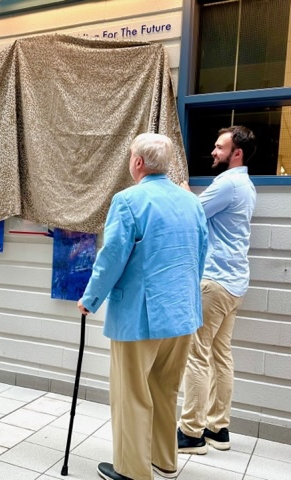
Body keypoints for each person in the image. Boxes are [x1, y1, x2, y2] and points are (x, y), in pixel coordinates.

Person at [78, 133, 208, 480]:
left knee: (132, 393)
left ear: (137, 162)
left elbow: (112, 257)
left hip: (140, 315)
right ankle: (164, 460)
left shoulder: (128, 200)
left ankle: (133, 470)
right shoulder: (191, 202)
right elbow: (200, 254)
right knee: (165, 389)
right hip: (182, 312)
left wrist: (90, 298)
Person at [177, 126, 257, 454]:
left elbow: (192, 213)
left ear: (236, 153)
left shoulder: (228, 184)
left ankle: (191, 433)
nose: (213, 151)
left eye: (220, 147)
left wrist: (183, 189)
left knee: (197, 354)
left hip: (214, 282)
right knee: (221, 355)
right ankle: (218, 428)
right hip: (235, 283)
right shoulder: (247, 185)